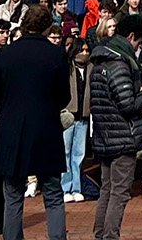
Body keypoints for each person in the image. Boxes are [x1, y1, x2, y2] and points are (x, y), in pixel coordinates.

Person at [0, 4, 71, 240]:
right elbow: (64, 95)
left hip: (13, 128)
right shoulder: (56, 54)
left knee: (13, 195)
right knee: (53, 194)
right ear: (47, 26)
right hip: (45, 127)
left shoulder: (6, 53)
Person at [88, 13, 142, 240]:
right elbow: (127, 104)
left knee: (107, 189)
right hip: (123, 135)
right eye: (139, 43)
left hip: (105, 134)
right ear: (131, 37)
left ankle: (101, 234)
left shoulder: (99, 62)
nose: (138, 48)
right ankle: (110, 236)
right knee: (119, 192)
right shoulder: (120, 64)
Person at [60, 38, 90, 204]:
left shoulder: (90, 68)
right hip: (68, 116)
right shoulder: (67, 67)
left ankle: (76, 188)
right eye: (82, 50)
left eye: (87, 50)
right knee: (65, 152)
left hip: (83, 117)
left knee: (79, 154)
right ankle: (65, 187)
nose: (85, 53)